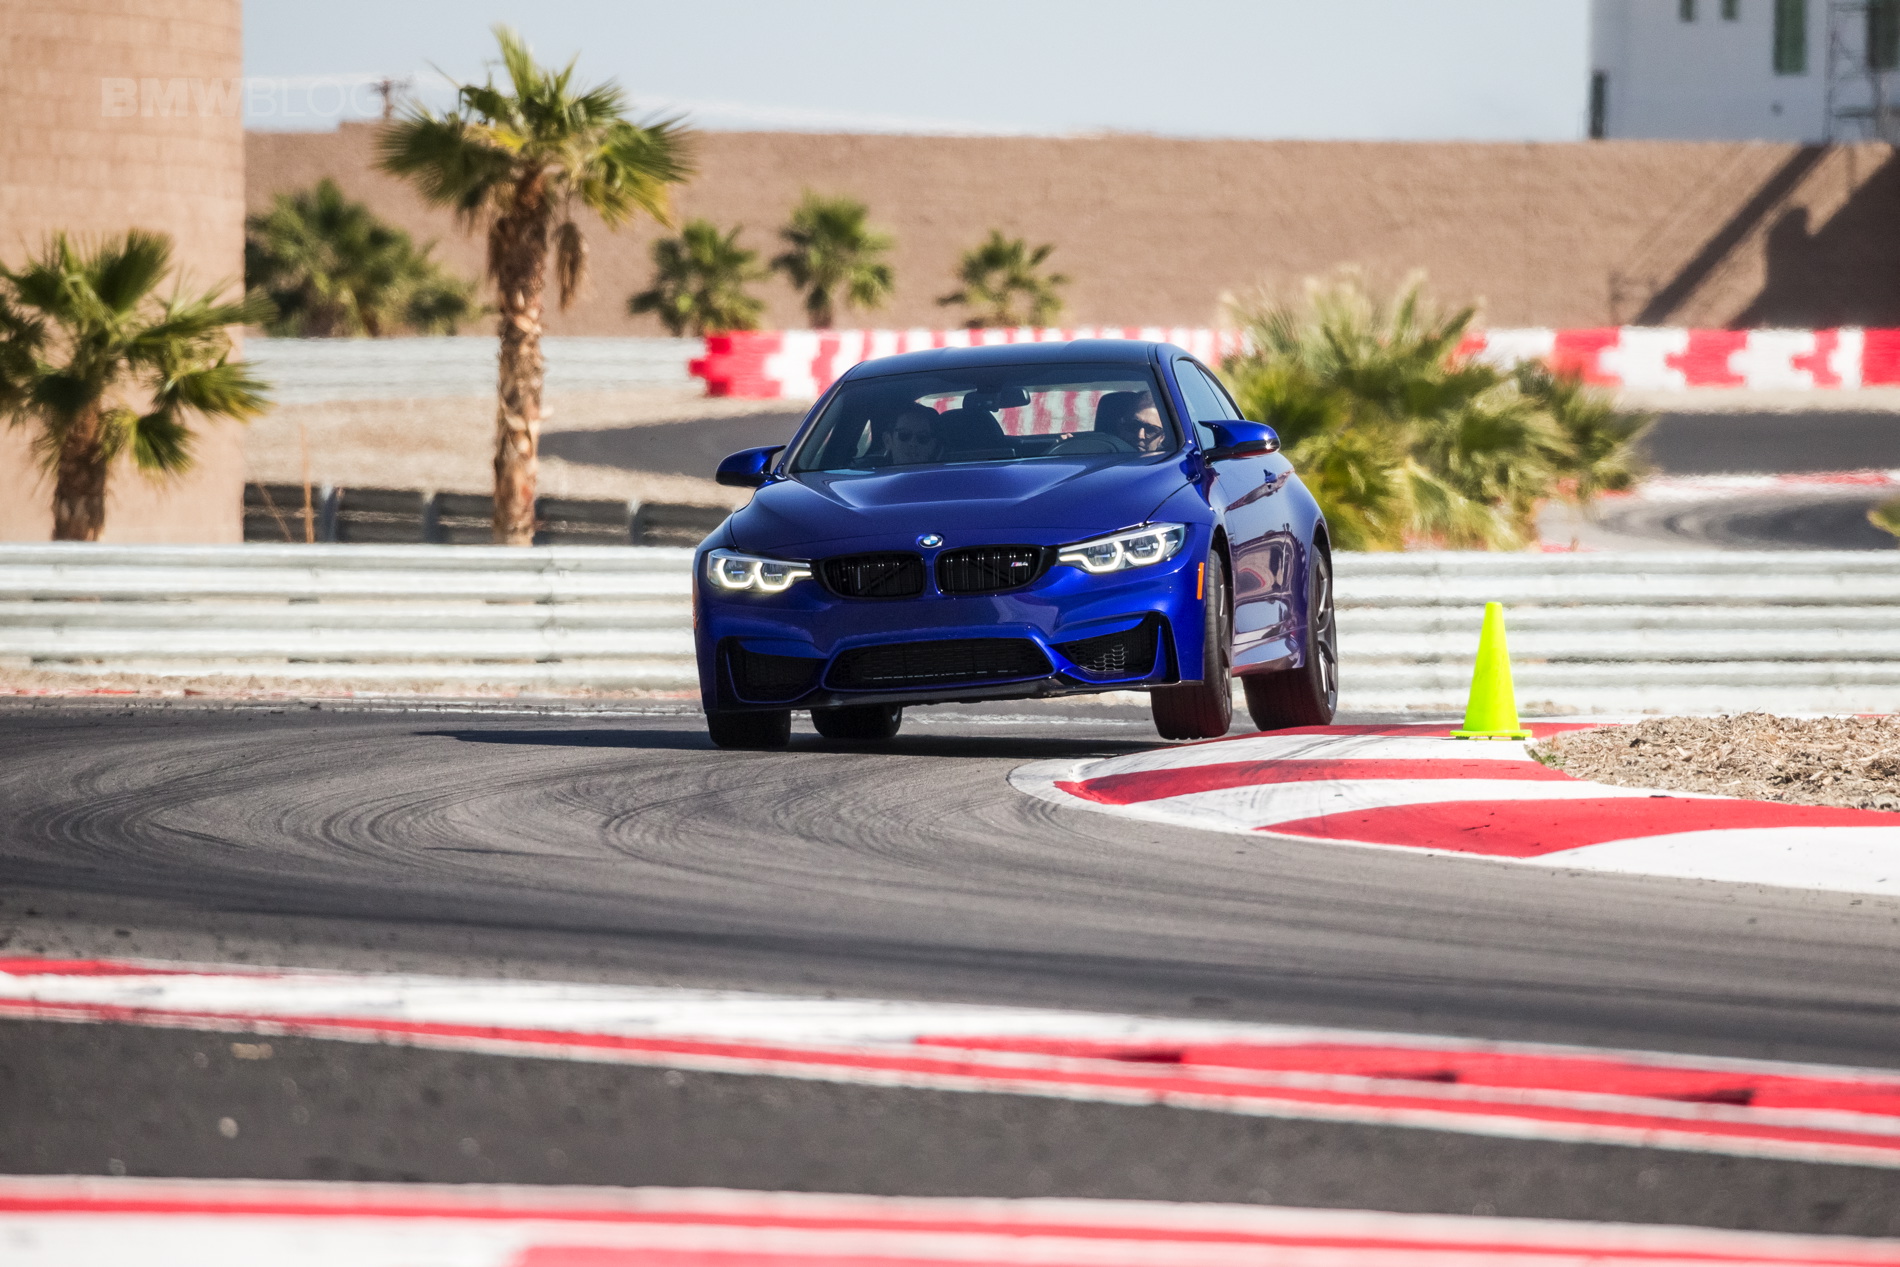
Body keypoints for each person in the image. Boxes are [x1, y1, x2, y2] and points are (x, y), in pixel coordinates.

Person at [1096, 390, 1168, 455]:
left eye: (1151, 430)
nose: (1140, 435)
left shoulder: (1168, 461)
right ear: (1120, 426)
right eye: (1134, 425)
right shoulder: (1097, 452)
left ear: (1162, 437)